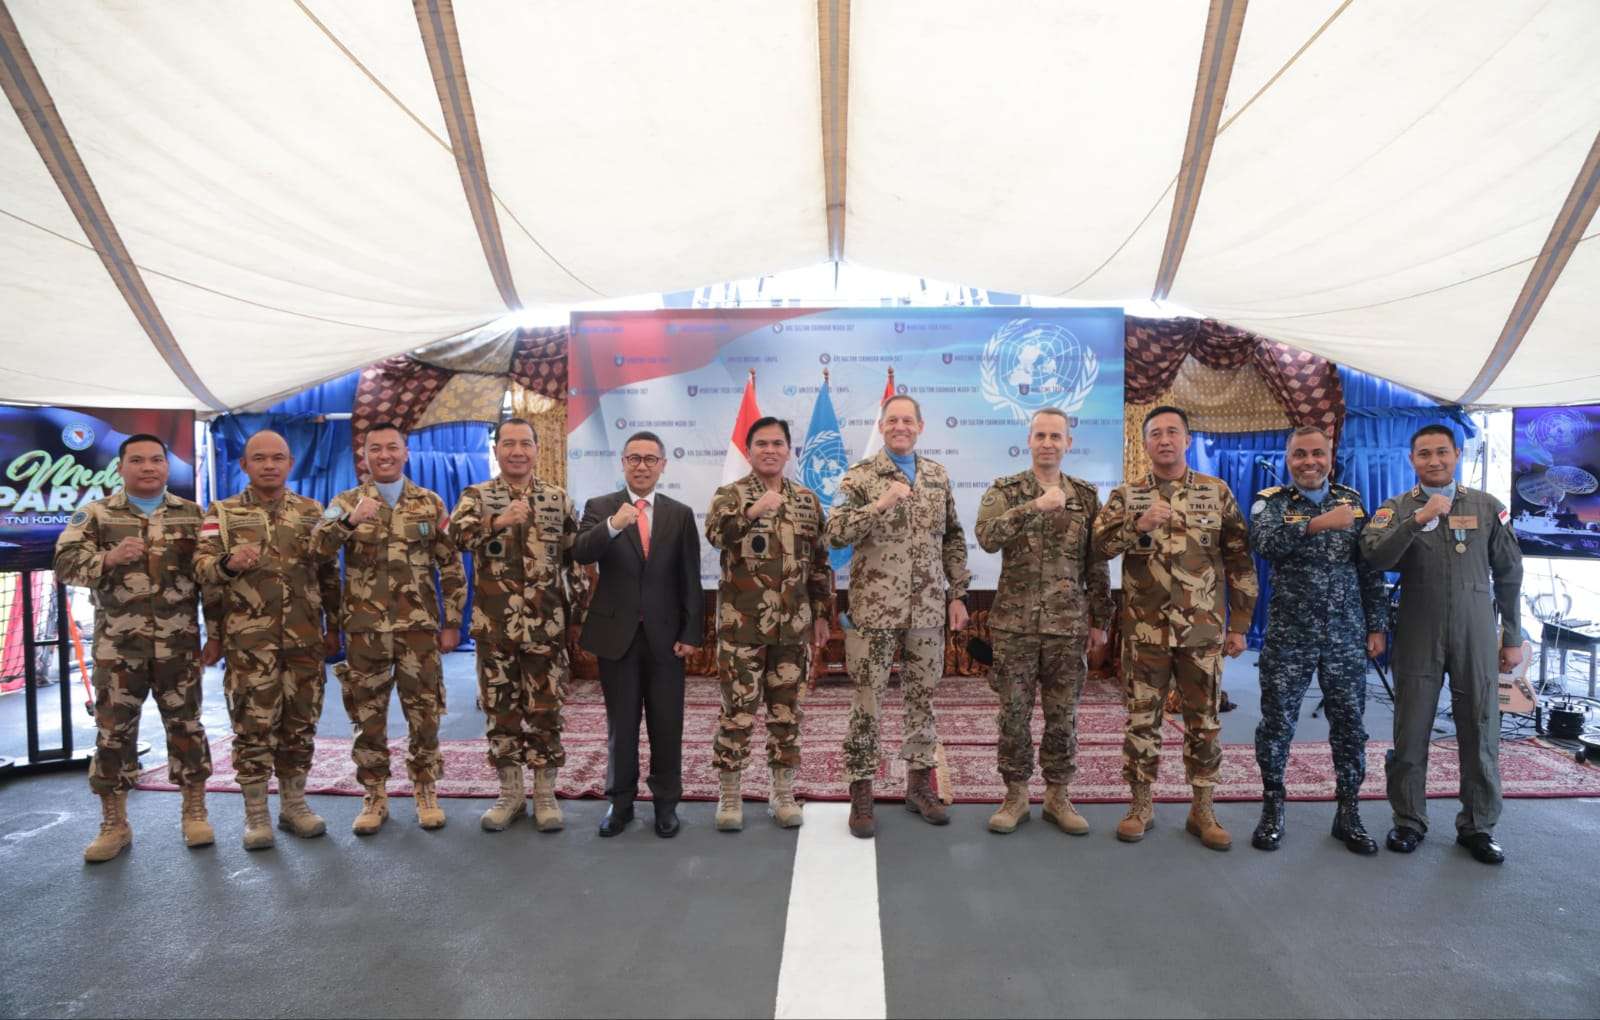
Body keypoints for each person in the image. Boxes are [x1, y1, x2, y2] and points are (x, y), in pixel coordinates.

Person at [1092, 405, 1257, 851]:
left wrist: (1240, 624)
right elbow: (1098, 547)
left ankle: (1202, 809)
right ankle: (1140, 805)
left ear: (1187, 440)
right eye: (1155, 434)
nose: (1164, 440)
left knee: (1204, 722)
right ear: (1144, 443)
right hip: (1145, 634)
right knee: (1141, 720)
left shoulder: (1215, 492)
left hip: (1202, 632)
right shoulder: (1127, 495)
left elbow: (1240, 559)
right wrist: (1137, 525)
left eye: (1172, 432)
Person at [1359, 423, 1523, 865]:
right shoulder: (1396, 508)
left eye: (1442, 452)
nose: (1434, 461)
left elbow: (1509, 573)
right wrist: (1417, 520)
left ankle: (1478, 826)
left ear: (1457, 455)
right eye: (1424, 454)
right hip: (1418, 628)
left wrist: (1512, 635)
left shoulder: (1487, 506)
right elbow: (1374, 557)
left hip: (1475, 631)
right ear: (1412, 460)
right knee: (1411, 730)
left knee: (1481, 727)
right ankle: (1409, 820)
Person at [55, 434, 215, 862]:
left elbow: (211, 580)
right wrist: (108, 559)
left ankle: (194, 811)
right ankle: (114, 823)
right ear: (120, 467)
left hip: (178, 647)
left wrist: (216, 635)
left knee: (187, 728)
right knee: (113, 735)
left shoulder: (193, 514)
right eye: (138, 460)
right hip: (118, 650)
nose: (148, 467)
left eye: (156, 460)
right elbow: (64, 564)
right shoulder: (96, 514)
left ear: (166, 466)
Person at [826, 395, 972, 838]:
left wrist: (957, 594)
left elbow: (953, 538)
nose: (900, 427)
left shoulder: (937, 476)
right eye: (892, 420)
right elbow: (834, 533)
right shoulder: (860, 476)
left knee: (922, 698)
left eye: (908, 420)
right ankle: (862, 791)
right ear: (882, 426)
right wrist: (879, 504)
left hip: (926, 609)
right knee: (867, 700)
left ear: (920, 426)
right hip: (874, 610)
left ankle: (919, 786)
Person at [311, 423, 466, 835]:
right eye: (375, 449)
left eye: (392, 448)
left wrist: (452, 622)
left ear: (406, 452)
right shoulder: (345, 502)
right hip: (365, 633)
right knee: (367, 716)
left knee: (425, 713)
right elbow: (317, 548)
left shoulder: (430, 503)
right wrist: (348, 522)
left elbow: (451, 564)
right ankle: (374, 794)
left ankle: (425, 789)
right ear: (364, 456)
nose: (384, 455)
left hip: (419, 631)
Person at [194, 430, 341, 850]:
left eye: (278, 458)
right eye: (259, 458)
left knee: (300, 725)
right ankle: (255, 814)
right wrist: (227, 564)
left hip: (304, 641)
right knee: (252, 727)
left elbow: (328, 573)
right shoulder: (222, 512)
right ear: (244, 465)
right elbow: (201, 569)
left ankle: (294, 805)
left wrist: (335, 627)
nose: (269, 465)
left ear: (290, 463)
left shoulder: (312, 511)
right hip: (249, 645)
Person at [1247, 426, 1387, 854]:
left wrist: (1377, 625)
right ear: (1288, 458)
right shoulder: (1272, 502)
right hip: (1290, 634)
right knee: (1277, 724)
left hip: (1345, 633)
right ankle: (1273, 807)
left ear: (1330, 457)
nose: (1309, 462)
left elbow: (1369, 568)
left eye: (1317, 454)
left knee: (1350, 725)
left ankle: (1348, 812)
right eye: (1300, 454)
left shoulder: (1352, 501)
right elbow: (1265, 544)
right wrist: (1316, 524)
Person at [974, 408, 1112, 835]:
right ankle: (1016, 795)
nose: (1048, 443)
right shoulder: (1006, 490)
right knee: (1013, 716)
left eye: (1056, 436)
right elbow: (986, 537)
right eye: (1040, 436)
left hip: (1067, 627)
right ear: (1028, 441)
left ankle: (1057, 796)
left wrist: (1100, 618)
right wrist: (1033, 506)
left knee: (1063, 716)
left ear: (1069, 442)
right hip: (1014, 626)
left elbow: (1096, 560)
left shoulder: (1086, 496)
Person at [448, 418, 587, 833]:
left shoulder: (556, 498)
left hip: (546, 627)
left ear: (536, 449)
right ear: (496, 450)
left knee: (546, 711)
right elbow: (455, 537)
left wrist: (578, 617)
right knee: (501, 712)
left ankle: (544, 795)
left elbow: (575, 559)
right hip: (495, 629)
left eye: (525, 443)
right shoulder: (477, 496)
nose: (517, 451)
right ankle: (510, 794)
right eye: (508, 444)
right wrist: (497, 522)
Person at [703, 416, 833, 831]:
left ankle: (782, 793)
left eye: (778, 443)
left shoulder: (808, 501)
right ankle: (730, 794)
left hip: (792, 630)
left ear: (789, 450)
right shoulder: (730, 495)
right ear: (749, 450)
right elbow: (716, 535)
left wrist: (822, 614)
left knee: (786, 714)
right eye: (762, 443)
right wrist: (752, 511)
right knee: (737, 714)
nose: (770, 450)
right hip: (741, 630)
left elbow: (820, 563)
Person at [574, 431, 704, 838]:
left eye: (650, 459)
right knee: (622, 725)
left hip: (667, 638)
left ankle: (666, 804)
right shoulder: (601, 507)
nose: (642, 466)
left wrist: (692, 631)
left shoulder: (679, 514)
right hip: (618, 637)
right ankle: (620, 803)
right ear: (623, 463)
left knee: (667, 724)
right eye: (634, 458)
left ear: (663, 465)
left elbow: (690, 577)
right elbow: (580, 551)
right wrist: (613, 525)